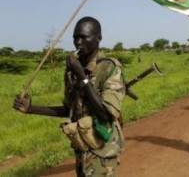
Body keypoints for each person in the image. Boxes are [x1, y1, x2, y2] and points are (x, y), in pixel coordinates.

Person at [14, 17, 124, 176]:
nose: (78, 42)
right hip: (81, 146)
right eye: (75, 38)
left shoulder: (109, 68)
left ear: (99, 38)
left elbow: (106, 114)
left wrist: (82, 75)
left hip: (103, 149)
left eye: (84, 37)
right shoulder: (71, 70)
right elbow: (69, 109)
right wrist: (31, 108)